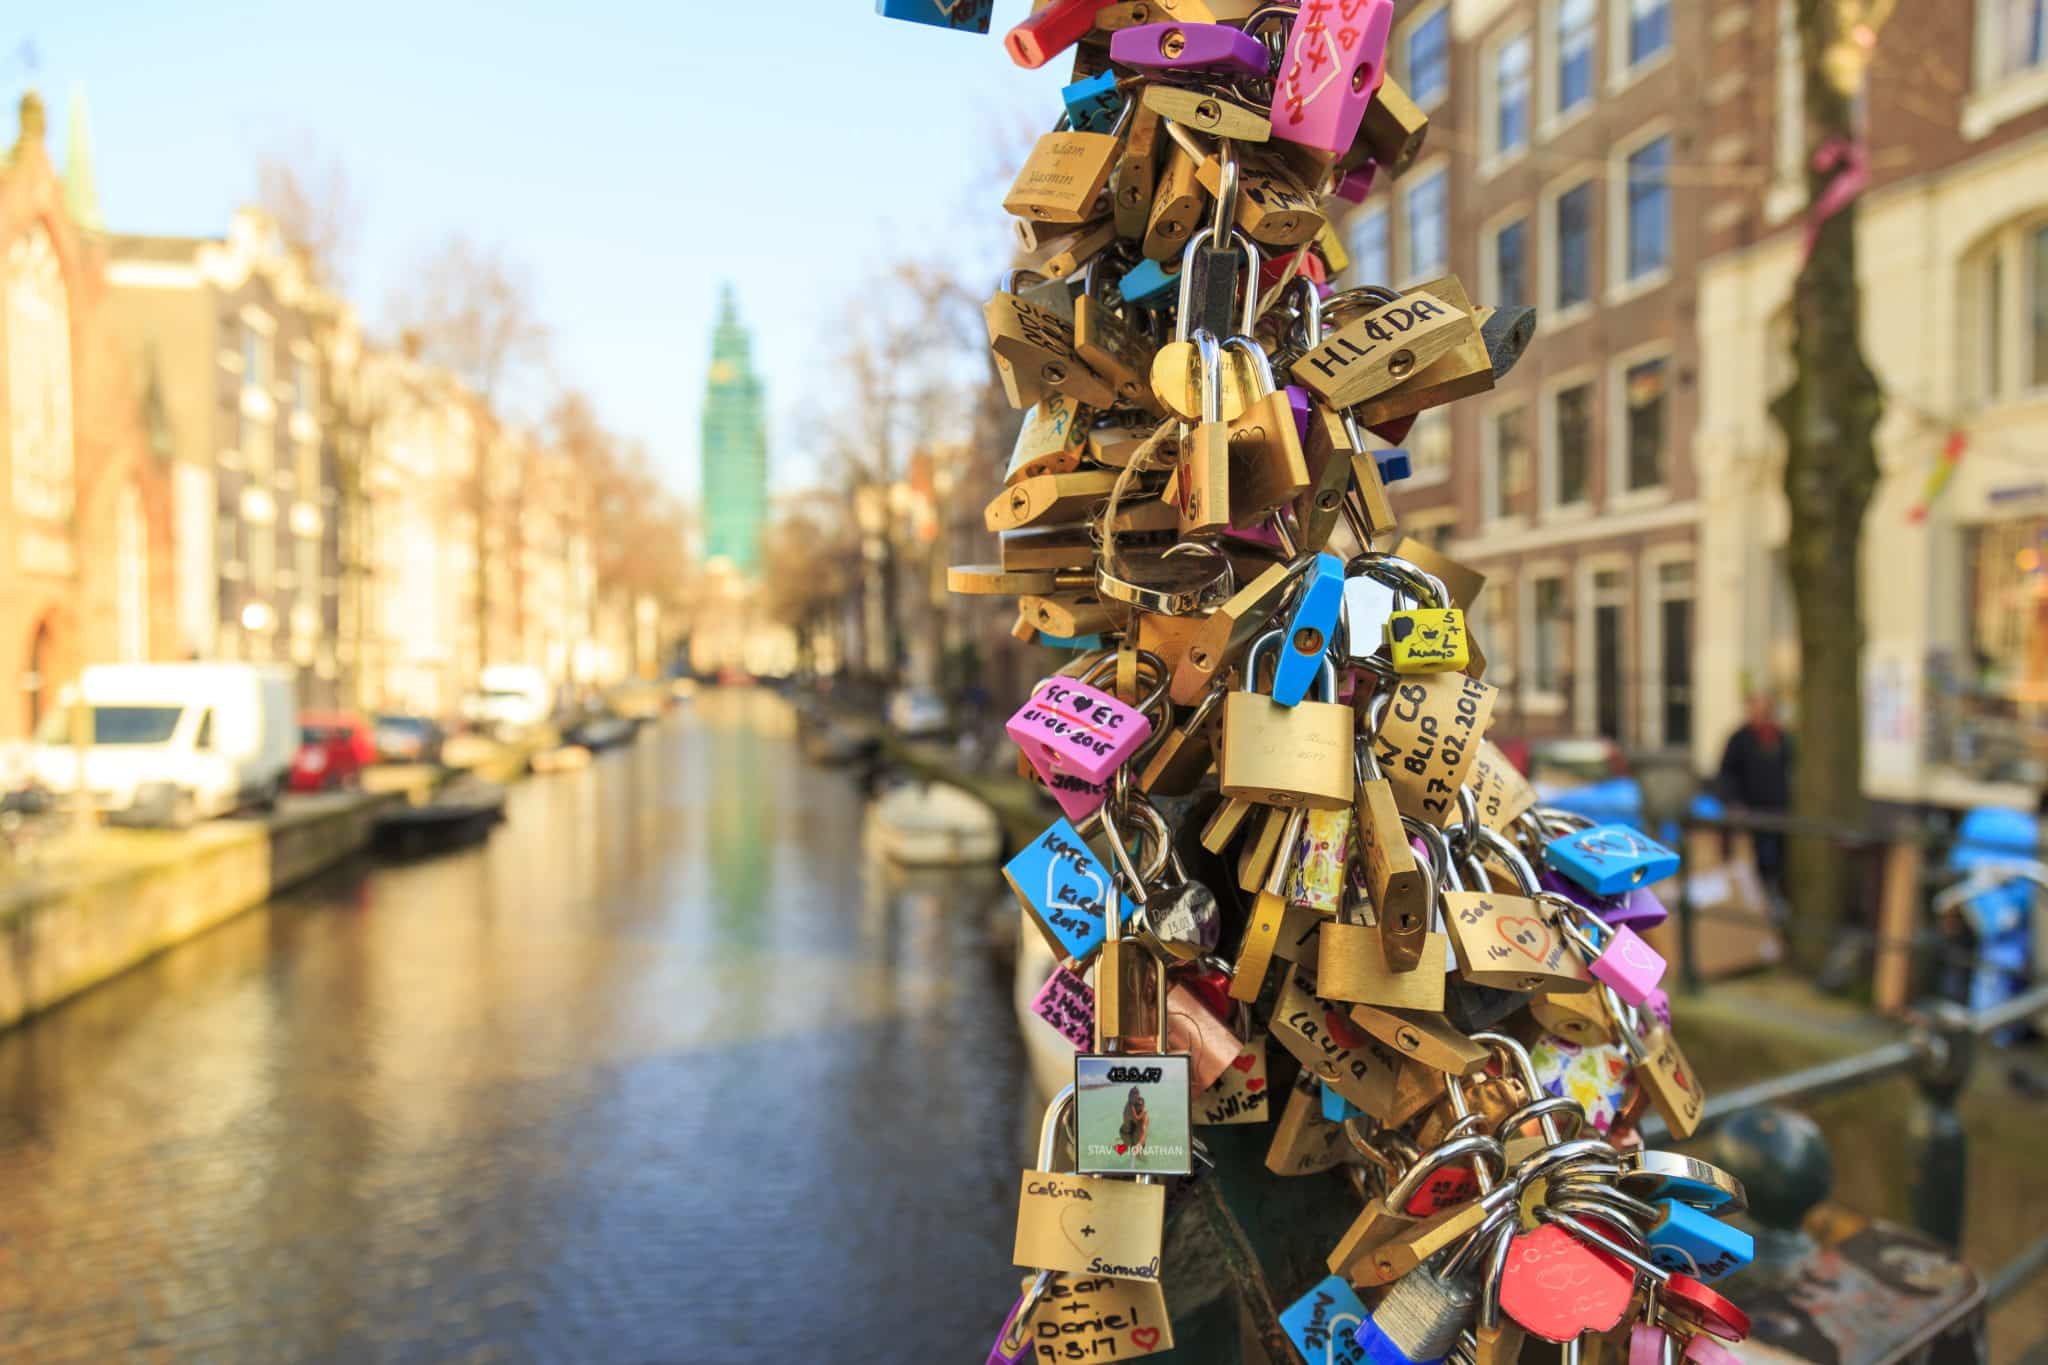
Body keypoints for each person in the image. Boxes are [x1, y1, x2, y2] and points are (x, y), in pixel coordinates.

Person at [1716, 692, 1793, 893]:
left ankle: (1777, 887)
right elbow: (1727, 773)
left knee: (1780, 849)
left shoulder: (1782, 737)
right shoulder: (1739, 739)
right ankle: (1766, 888)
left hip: (1779, 806)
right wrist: (1733, 801)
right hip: (1753, 807)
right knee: (1763, 850)